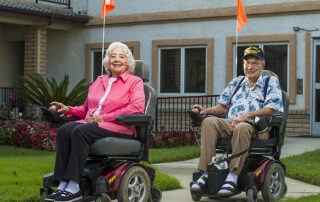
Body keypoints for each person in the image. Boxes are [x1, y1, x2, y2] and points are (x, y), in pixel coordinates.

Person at [45, 42, 145, 202]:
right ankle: (62, 183)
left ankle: (74, 186)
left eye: (121, 56)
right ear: (107, 61)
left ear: (128, 62)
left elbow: (137, 108)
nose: (117, 60)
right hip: (93, 123)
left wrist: (105, 117)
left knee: (80, 131)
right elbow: (87, 109)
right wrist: (68, 109)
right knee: (64, 130)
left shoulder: (135, 82)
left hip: (120, 126)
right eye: (113, 56)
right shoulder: (99, 81)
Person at [190, 46, 283, 196]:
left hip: (255, 126)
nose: (250, 66)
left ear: (262, 65)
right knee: (208, 122)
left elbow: (270, 109)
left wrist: (246, 116)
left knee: (242, 127)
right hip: (231, 122)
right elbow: (222, 107)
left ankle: (232, 176)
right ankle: (207, 173)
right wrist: (206, 111)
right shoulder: (237, 82)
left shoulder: (270, 82)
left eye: (254, 62)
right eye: (247, 63)